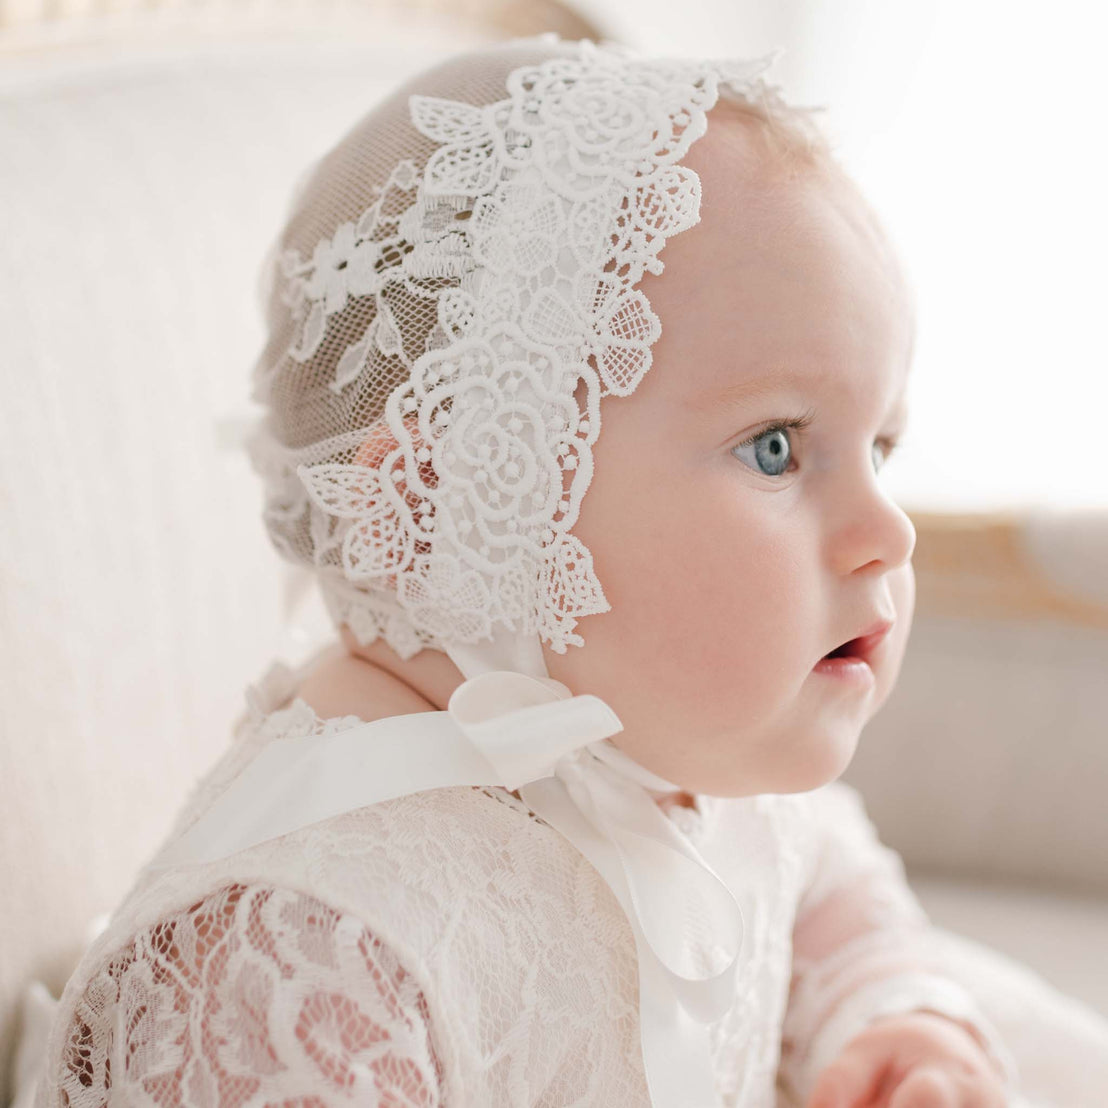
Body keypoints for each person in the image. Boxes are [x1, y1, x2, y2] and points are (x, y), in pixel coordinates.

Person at [28, 34, 1108, 1108]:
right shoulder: (315, 948)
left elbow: (827, 884)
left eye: (879, 448)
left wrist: (890, 1017)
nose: (888, 530)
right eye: (775, 444)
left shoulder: (669, 752)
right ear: (446, 505)